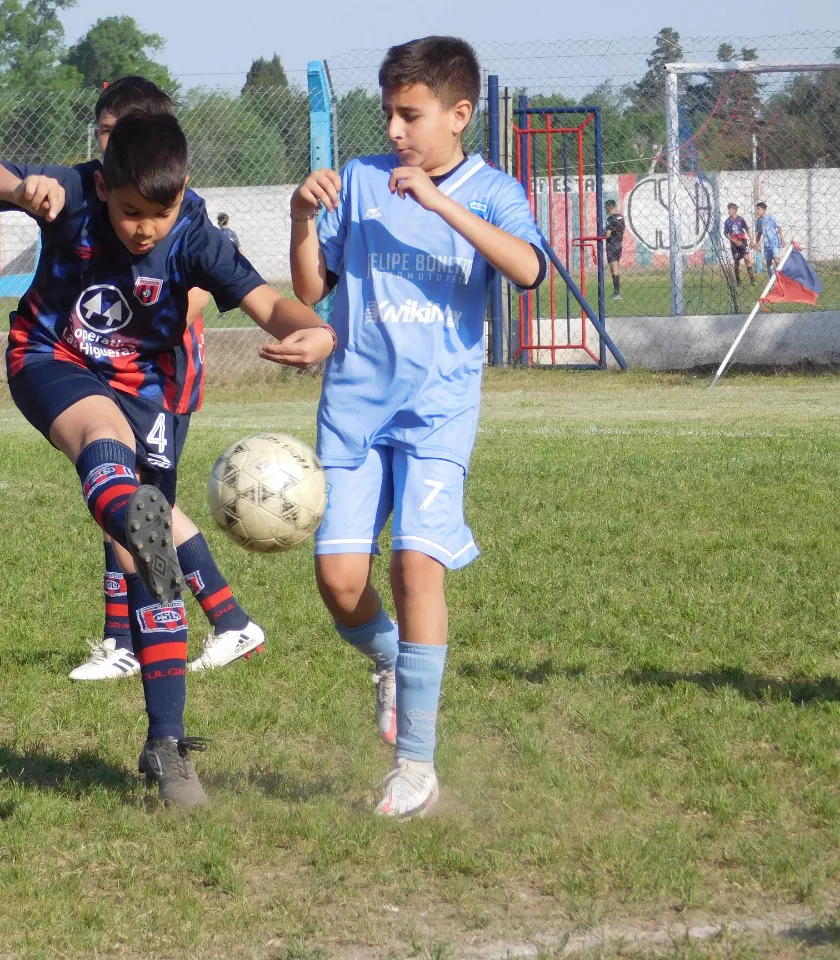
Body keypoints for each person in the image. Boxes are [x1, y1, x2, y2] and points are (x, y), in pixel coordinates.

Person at [0, 111, 336, 806]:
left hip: (147, 394)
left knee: (144, 562)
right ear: (105, 188)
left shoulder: (196, 238)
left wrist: (318, 334)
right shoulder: (74, 193)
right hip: (51, 357)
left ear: (184, 190)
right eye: (129, 212)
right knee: (109, 460)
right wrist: (20, 186)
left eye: (159, 213)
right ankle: (132, 511)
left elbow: (273, 305)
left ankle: (166, 744)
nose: (143, 228)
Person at [289, 36, 545, 819]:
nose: (395, 131)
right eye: (389, 114)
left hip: (438, 412)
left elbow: (529, 270)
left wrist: (440, 204)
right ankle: (394, 662)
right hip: (354, 409)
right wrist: (300, 219)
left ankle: (417, 765)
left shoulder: (494, 191)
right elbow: (313, 285)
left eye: (412, 114)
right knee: (339, 582)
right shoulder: (360, 181)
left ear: (459, 114)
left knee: (415, 568)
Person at [67, 76, 267, 684]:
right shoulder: (108, 202)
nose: (103, 142)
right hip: (115, 379)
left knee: (142, 506)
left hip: (160, 383)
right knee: (118, 499)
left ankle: (220, 621)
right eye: (101, 131)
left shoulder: (181, 213)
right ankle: (124, 635)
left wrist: (137, 318)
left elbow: (198, 295)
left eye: (112, 131)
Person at [722, 203, 754, 285]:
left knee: (747, 259)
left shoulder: (741, 219)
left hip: (743, 242)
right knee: (736, 262)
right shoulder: (727, 221)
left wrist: (751, 239)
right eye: (728, 209)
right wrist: (734, 241)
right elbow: (726, 234)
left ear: (735, 210)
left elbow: (747, 229)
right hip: (734, 244)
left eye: (731, 209)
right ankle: (738, 281)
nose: (729, 211)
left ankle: (752, 280)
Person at [604, 199, 625, 300]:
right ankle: (616, 292)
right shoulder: (621, 217)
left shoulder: (610, 219)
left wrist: (603, 234)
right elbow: (622, 229)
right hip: (619, 244)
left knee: (613, 268)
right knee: (615, 266)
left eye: (605, 207)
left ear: (608, 207)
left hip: (611, 245)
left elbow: (607, 234)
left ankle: (617, 292)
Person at [755, 201, 784, 273]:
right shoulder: (759, 221)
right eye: (757, 209)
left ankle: (782, 276)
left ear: (763, 210)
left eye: (758, 209)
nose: (757, 211)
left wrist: (782, 239)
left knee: (776, 259)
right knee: (768, 262)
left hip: (774, 242)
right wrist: (757, 242)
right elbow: (759, 232)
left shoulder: (771, 218)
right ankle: (772, 280)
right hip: (766, 244)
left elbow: (779, 227)